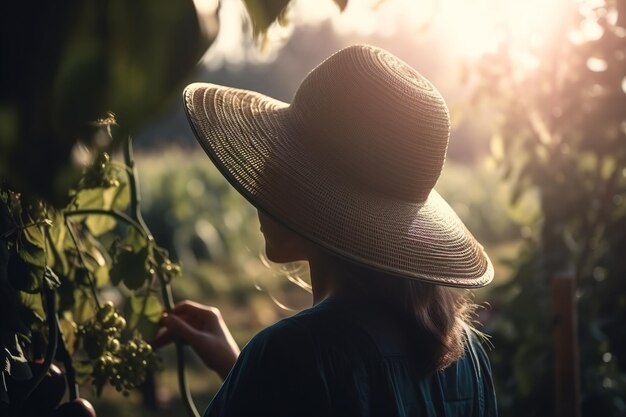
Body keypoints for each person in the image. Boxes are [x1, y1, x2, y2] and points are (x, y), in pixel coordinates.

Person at [153, 44, 497, 416]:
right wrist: (240, 372)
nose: (263, 178)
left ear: (317, 196)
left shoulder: (290, 355)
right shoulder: (466, 358)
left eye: (282, 161)